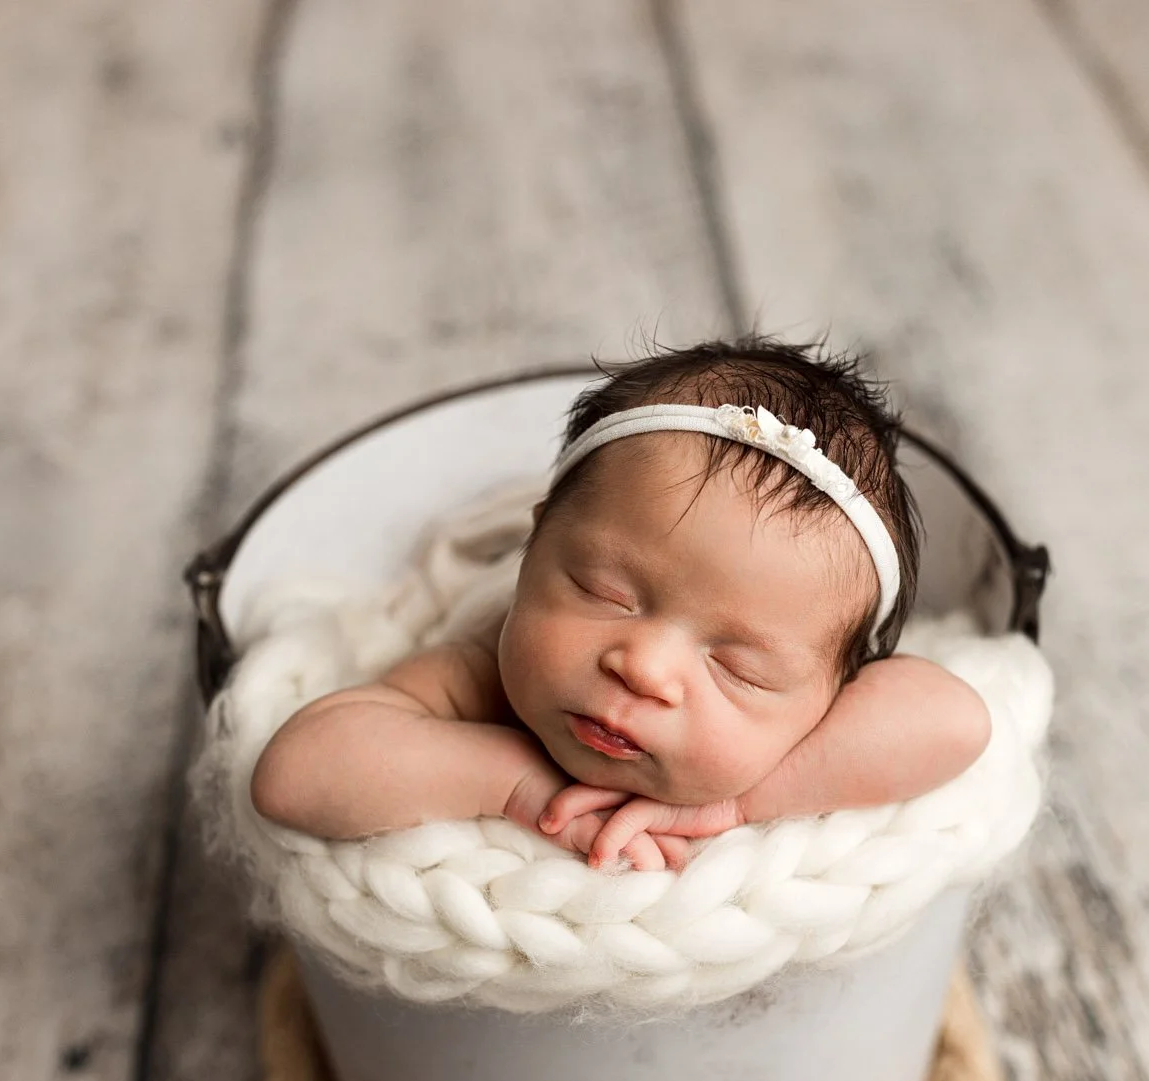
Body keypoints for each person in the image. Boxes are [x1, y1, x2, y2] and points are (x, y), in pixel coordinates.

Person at [249, 339, 992, 872]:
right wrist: (513, 783)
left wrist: (736, 804)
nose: (645, 669)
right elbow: (294, 775)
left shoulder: (817, 707)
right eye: (604, 593)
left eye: (738, 669)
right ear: (536, 544)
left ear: (831, 693)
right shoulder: (483, 667)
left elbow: (957, 721)